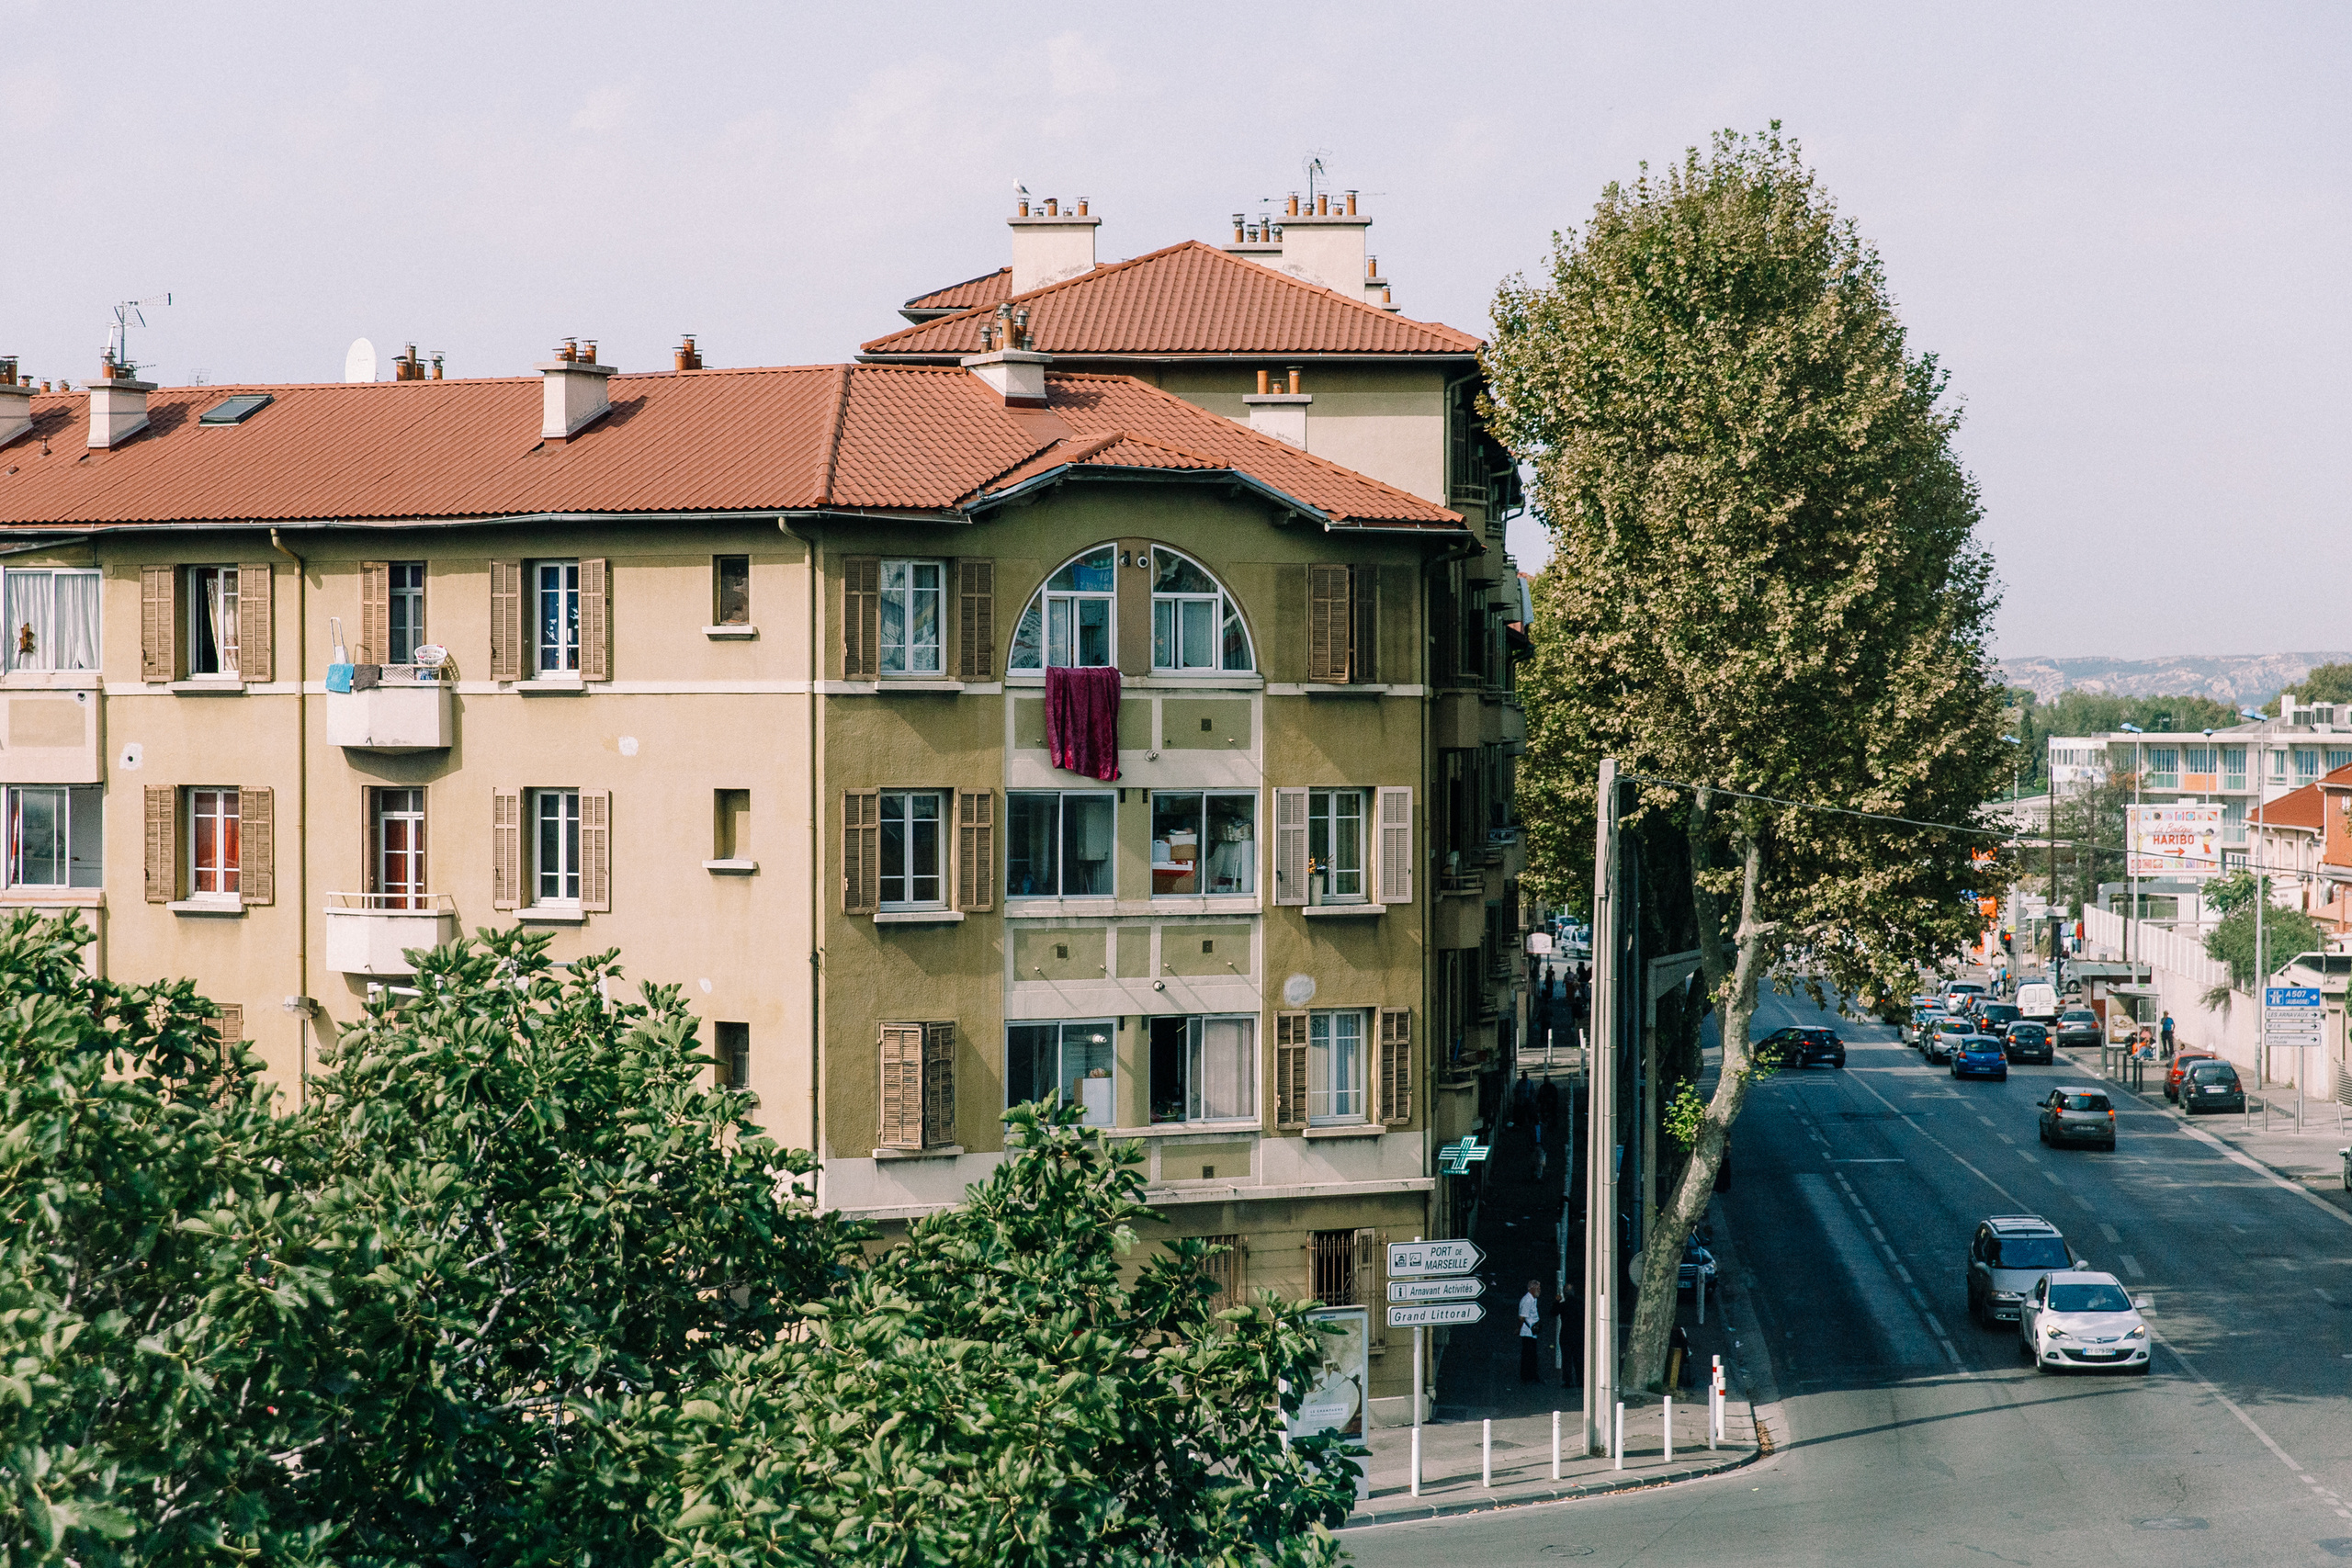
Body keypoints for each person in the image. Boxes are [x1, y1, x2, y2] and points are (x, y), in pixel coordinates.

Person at [1520, 1280, 1543, 1382]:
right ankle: (1527, 1377)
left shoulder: (1533, 1299)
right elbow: (1522, 1317)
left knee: (1531, 1355)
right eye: (1538, 1288)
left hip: (1532, 1332)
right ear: (1532, 1289)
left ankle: (1531, 1375)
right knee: (1528, 1355)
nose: (1540, 1290)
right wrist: (1518, 1328)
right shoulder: (1528, 1300)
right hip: (1527, 1332)